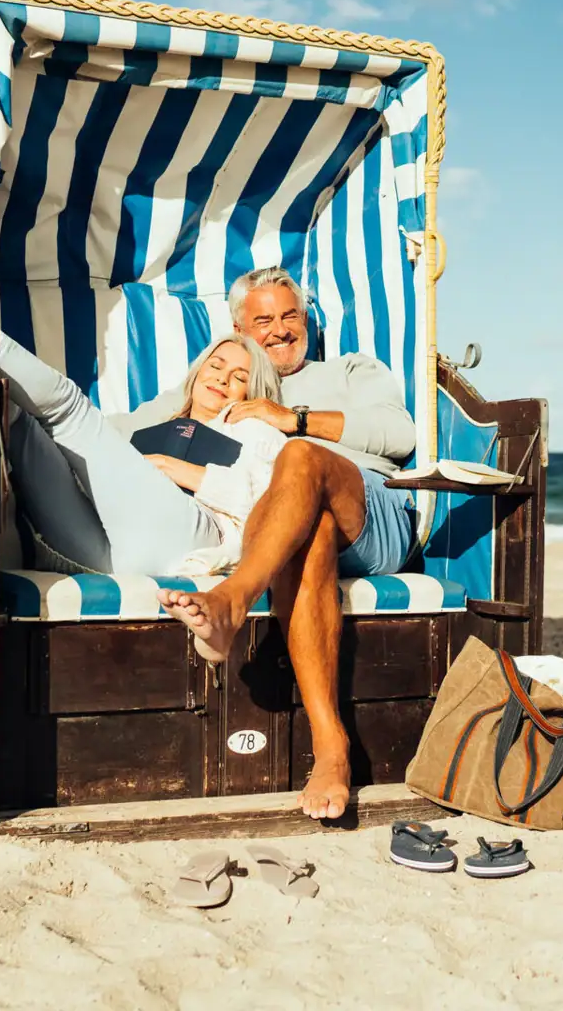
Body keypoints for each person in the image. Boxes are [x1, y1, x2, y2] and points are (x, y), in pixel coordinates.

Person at [138, 267, 418, 821]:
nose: (280, 330)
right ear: (239, 326)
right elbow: (134, 428)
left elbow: (400, 433)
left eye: (290, 316)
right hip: (291, 528)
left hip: (371, 511)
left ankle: (233, 599)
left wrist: (292, 419)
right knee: (305, 530)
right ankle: (331, 749)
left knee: (298, 457)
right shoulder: (230, 379)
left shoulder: (348, 369)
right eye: (262, 320)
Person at [0, 229, 286, 576]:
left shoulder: (254, 429)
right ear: (196, 373)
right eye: (216, 365)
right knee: (18, 417)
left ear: (253, 394)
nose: (223, 378)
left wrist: (174, 468)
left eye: (240, 377)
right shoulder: (148, 423)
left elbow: (273, 505)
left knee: (67, 410)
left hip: (193, 540)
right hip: (110, 559)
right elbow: (98, 453)